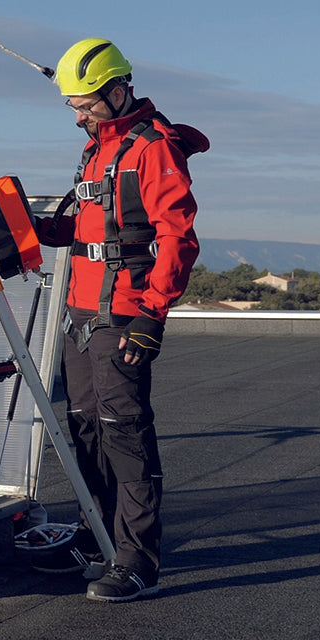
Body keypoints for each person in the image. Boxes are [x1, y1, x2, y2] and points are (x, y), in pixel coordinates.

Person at [35, 37, 208, 602]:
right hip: (79, 314)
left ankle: (137, 560)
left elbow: (178, 238)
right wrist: (39, 229)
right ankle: (98, 536)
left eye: (85, 105)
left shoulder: (152, 148)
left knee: (124, 432)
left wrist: (152, 316)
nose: (78, 116)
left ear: (116, 91)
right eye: (73, 106)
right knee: (85, 427)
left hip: (123, 315)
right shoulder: (97, 149)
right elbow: (92, 229)